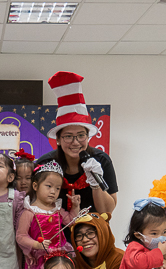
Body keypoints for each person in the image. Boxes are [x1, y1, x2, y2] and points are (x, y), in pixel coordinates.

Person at [35, 71, 118, 214]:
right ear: (59, 140)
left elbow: (107, 211)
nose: (75, 142)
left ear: (88, 137)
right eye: (68, 136)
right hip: (53, 232)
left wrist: (96, 184)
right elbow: (36, 205)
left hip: (91, 233)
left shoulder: (101, 160)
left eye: (81, 135)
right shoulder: (45, 163)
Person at [16, 161, 80, 269]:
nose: (53, 192)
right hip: (40, 261)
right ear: (35, 186)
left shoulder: (57, 210)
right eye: (49, 186)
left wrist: (75, 206)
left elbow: (71, 221)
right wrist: (36, 245)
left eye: (57, 188)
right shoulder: (29, 212)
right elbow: (20, 236)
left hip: (59, 259)